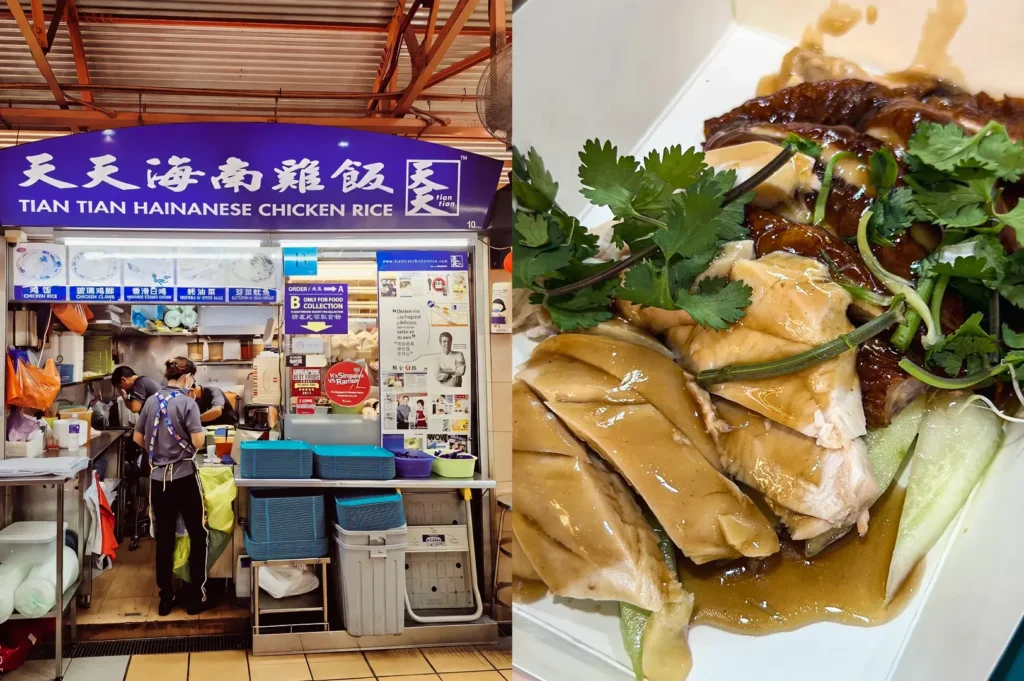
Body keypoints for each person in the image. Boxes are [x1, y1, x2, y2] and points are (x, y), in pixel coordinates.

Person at [132, 357, 209, 617]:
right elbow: (198, 441)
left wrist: (160, 454)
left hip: (158, 481)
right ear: (187, 378)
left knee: (164, 539)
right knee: (198, 535)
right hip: (185, 478)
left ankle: (166, 598)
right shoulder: (188, 403)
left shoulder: (151, 401)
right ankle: (194, 597)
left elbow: (138, 437)